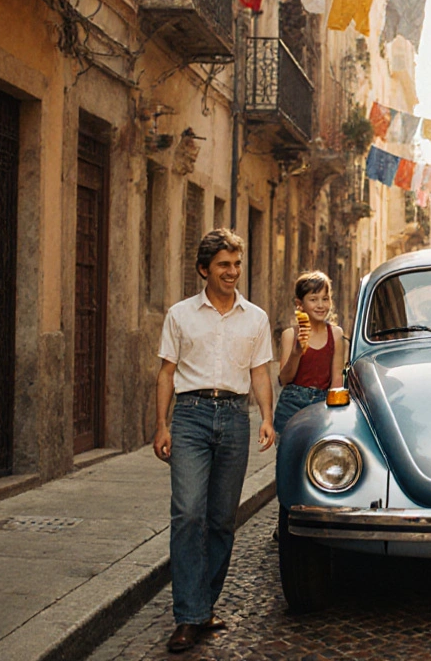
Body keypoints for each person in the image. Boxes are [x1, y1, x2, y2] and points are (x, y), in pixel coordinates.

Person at [153, 228, 275, 653]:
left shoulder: (255, 318)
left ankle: (203, 606)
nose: (232, 271)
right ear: (204, 269)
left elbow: (260, 372)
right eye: (224, 264)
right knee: (188, 514)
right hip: (190, 416)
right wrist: (161, 424)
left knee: (223, 519)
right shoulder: (180, 315)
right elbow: (167, 372)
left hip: (235, 418)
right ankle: (188, 616)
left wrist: (267, 418)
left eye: (237, 264)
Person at [272, 271, 346, 436]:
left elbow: (336, 379)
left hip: (322, 404)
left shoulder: (336, 334)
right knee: (290, 458)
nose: (320, 305)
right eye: (313, 299)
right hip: (291, 406)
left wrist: (337, 414)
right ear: (300, 304)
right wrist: (296, 352)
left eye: (325, 299)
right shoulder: (290, 335)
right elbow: (285, 379)